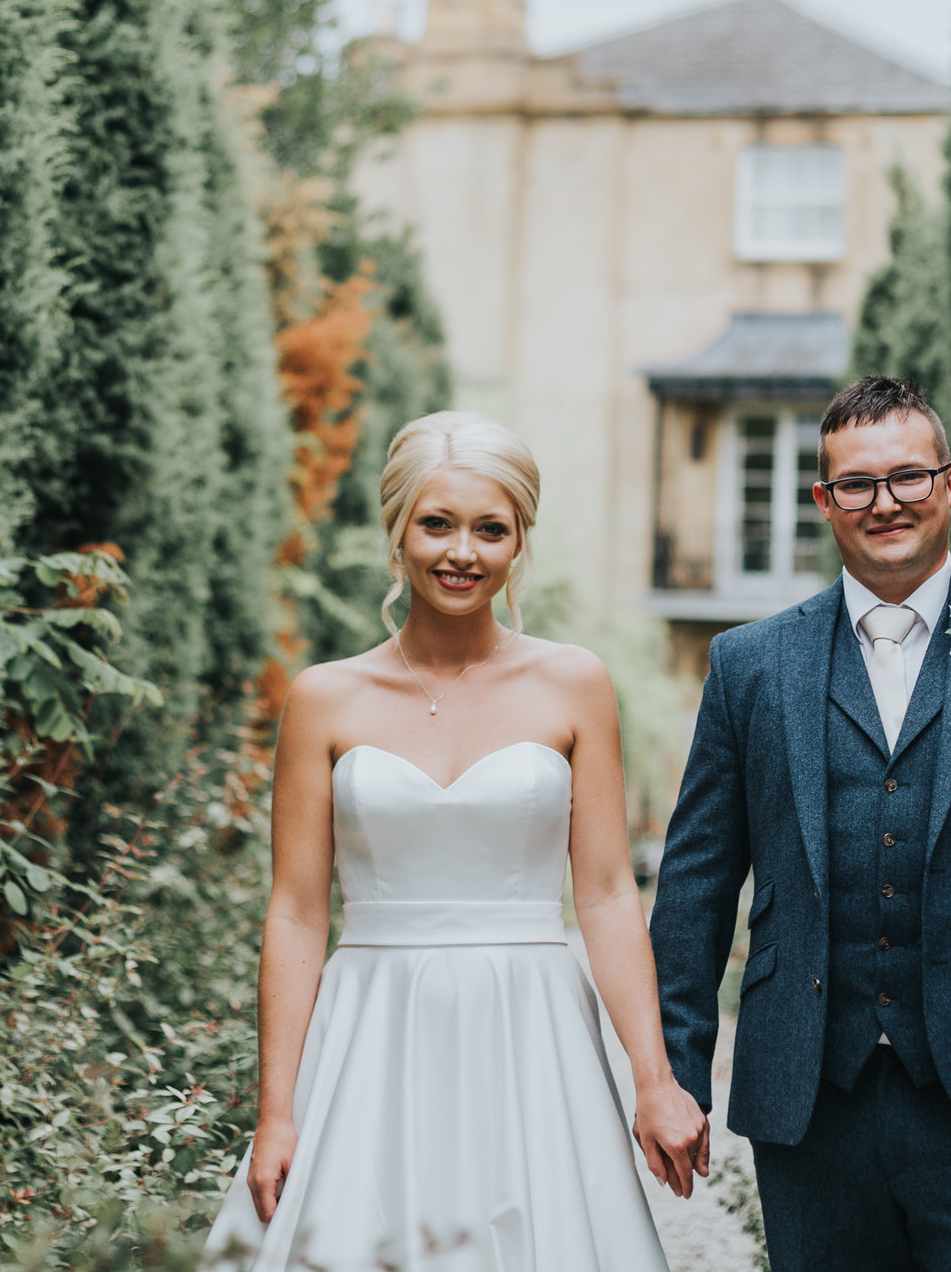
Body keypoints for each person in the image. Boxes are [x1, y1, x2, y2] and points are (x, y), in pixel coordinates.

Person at [650, 376, 951, 1272]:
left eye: (909, 477)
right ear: (824, 501)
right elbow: (694, 882)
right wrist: (673, 1074)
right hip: (810, 1097)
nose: (886, 502)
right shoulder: (748, 665)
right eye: (857, 484)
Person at [206, 410, 708, 1272]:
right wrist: (277, 1109)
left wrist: (654, 1078)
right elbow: (295, 911)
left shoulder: (575, 682)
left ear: (520, 543)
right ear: (396, 530)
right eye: (436, 523)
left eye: (490, 528)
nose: (461, 552)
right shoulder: (323, 698)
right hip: (370, 1026)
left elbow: (606, 893)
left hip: (534, 1025)